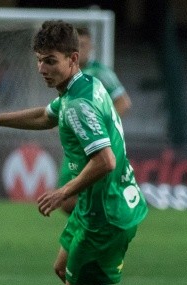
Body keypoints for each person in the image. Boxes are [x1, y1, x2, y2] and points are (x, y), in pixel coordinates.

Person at [0, 20, 187, 285]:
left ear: (73, 59)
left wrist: (61, 191)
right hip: (99, 204)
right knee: (62, 269)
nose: (42, 68)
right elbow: (44, 116)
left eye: (50, 60)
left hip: (106, 211)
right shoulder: (85, 87)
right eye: (39, 60)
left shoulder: (79, 106)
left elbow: (105, 160)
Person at [57, 27, 132, 215]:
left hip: (94, 144)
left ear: (91, 46)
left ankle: (108, 217)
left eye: (83, 45)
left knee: (72, 197)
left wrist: (101, 129)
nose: (80, 49)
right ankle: (98, 219)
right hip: (76, 144)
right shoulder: (69, 74)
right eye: (76, 45)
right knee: (65, 202)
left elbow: (124, 103)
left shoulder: (100, 72)